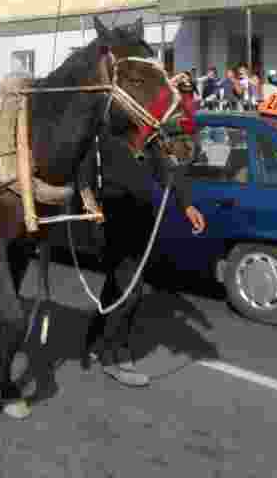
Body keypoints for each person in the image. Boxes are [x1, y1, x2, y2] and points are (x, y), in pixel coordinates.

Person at [78, 107, 206, 387]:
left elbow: (171, 174)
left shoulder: (151, 145)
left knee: (116, 287)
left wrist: (188, 205)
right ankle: (112, 356)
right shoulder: (101, 141)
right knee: (131, 292)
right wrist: (91, 209)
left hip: (142, 228)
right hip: (112, 226)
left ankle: (93, 339)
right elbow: (83, 181)